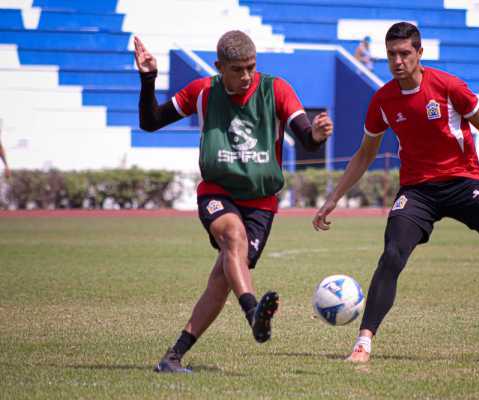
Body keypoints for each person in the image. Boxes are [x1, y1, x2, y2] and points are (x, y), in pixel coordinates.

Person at [312, 22, 479, 363]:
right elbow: (365, 153)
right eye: (392, 54)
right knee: (392, 254)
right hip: (417, 192)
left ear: (419, 53)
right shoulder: (382, 100)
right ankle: (363, 343)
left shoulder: (448, 86)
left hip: (463, 184)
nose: (397, 61)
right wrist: (334, 197)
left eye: (405, 53)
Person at [135, 31, 333, 373]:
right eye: (237, 69)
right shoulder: (203, 91)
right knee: (233, 238)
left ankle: (173, 357)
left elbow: (306, 137)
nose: (245, 76)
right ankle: (253, 311)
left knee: (222, 277)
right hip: (218, 192)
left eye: (251, 68)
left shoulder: (276, 89)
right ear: (219, 67)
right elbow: (151, 122)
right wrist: (149, 78)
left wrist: (315, 134)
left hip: (261, 203)